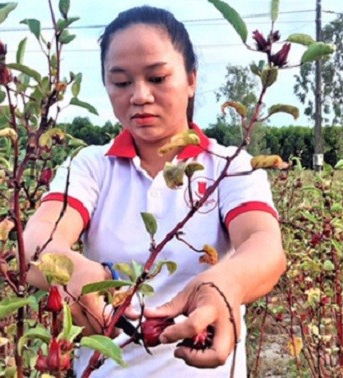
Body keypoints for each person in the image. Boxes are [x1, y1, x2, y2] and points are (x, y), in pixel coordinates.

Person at [23, 5, 285, 377]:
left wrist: (224, 283)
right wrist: (75, 271)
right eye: (121, 82)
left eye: (158, 78)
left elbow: (265, 245)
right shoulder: (91, 167)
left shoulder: (229, 166)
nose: (140, 96)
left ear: (191, 79)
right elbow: (36, 241)